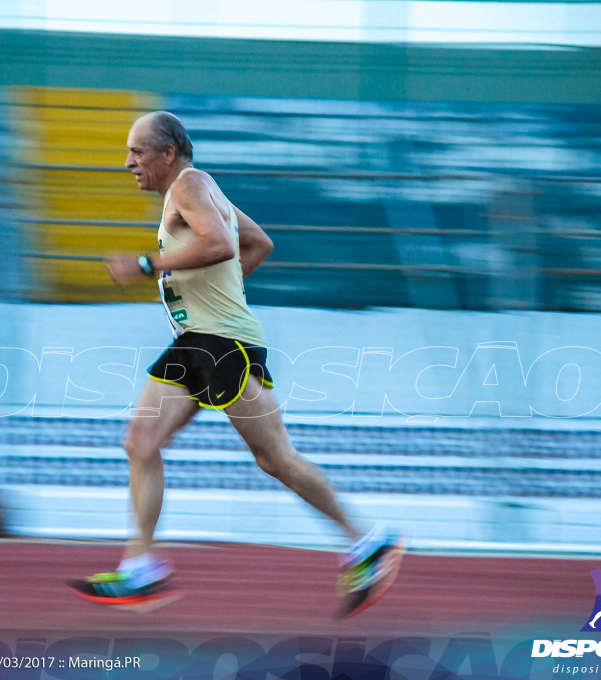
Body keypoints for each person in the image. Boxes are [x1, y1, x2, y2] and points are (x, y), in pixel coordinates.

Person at [67, 111, 404, 618]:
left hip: (222, 344)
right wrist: (222, 292)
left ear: (168, 154)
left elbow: (223, 244)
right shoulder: (201, 193)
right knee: (141, 441)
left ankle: (368, 543)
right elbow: (258, 243)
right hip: (197, 342)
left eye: (137, 151)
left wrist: (147, 265)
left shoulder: (191, 184)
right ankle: (140, 569)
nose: (127, 162)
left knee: (276, 459)